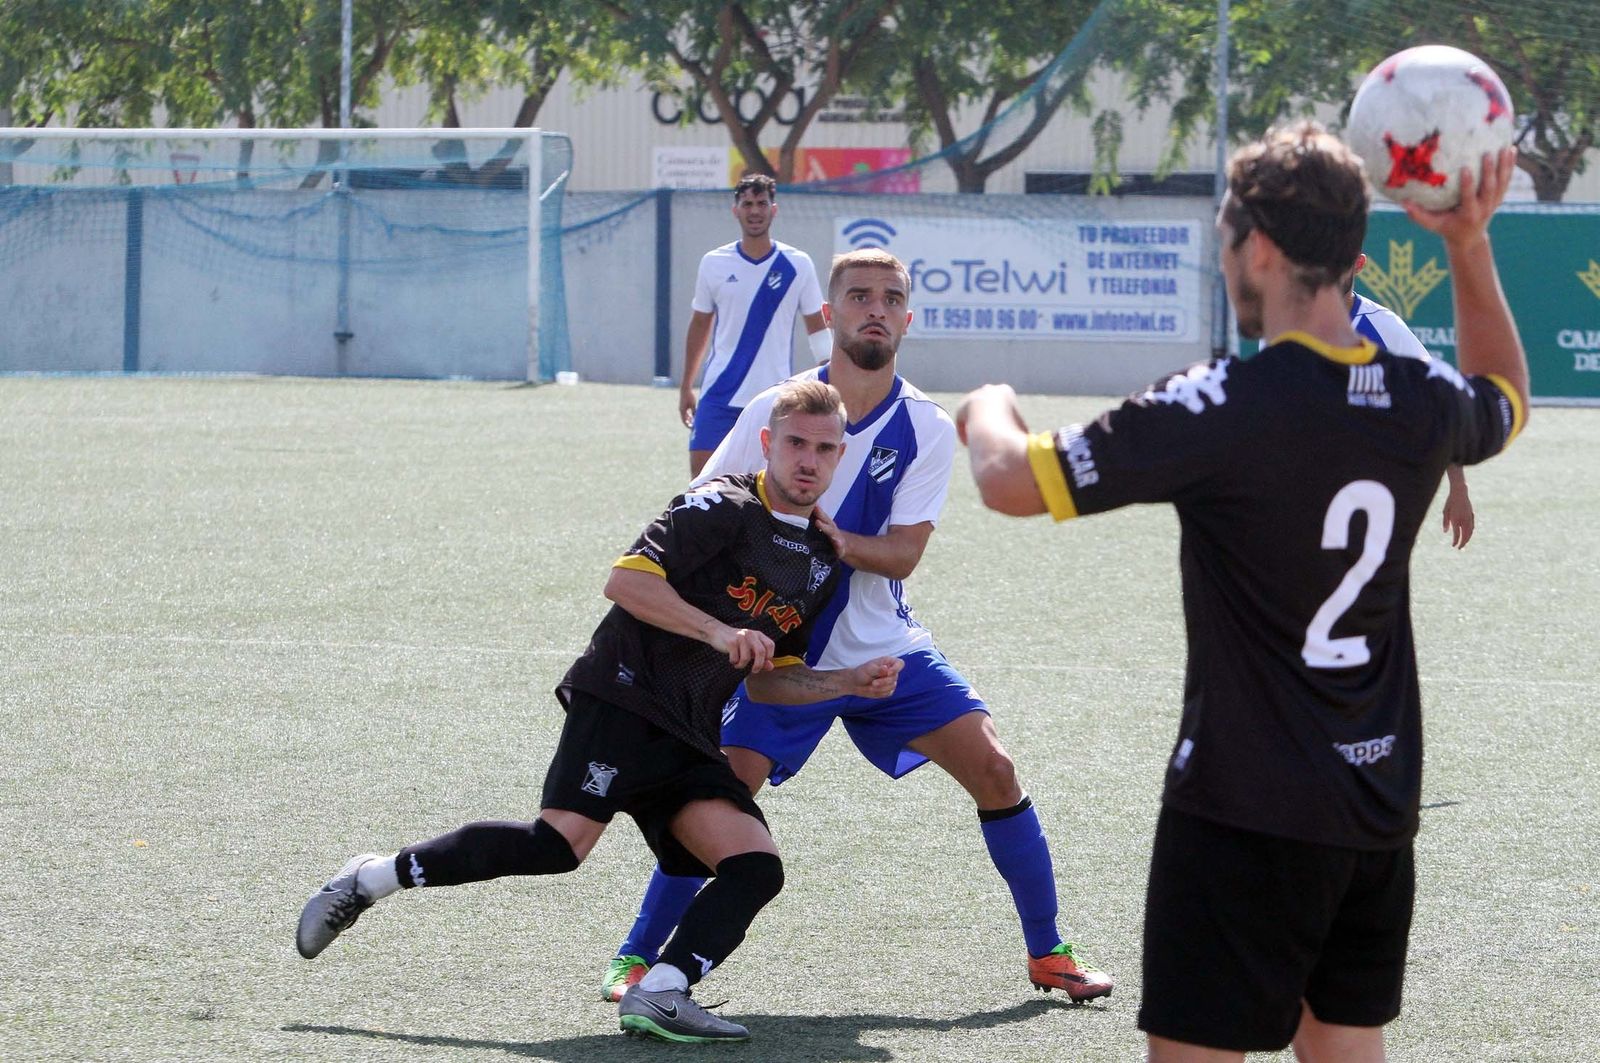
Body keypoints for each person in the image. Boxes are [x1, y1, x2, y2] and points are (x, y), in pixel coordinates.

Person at [956, 124, 1527, 1061]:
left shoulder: (1221, 403)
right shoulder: (1421, 397)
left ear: (1258, 245)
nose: (1222, 259)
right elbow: (1503, 392)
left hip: (1240, 814)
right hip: (1376, 810)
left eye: (1224, 237)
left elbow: (1008, 480)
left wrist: (987, 404)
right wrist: (1467, 243)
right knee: (1345, 1044)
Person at [295, 379, 903, 1044]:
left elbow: (770, 683)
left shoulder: (819, 559)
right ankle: (370, 877)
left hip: (690, 731)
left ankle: (664, 989)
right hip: (624, 692)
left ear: (840, 454)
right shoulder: (721, 504)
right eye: (794, 443)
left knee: (754, 865)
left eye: (823, 447)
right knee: (558, 845)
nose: (807, 460)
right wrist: (718, 632)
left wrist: (846, 681)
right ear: (768, 442)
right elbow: (628, 580)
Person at [600, 246, 1115, 1007]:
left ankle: (1050, 951)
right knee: (719, 795)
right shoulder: (774, 412)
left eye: (891, 297)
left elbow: (904, 554)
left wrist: (833, 538)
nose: (875, 307)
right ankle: (638, 957)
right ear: (831, 314)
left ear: (907, 317)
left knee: (996, 769)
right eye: (859, 295)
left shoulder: (926, 427)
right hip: (779, 661)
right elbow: (701, 516)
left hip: (884, 649)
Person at [681, 173, 831, 477]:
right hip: (718, 396)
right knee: (701, 488)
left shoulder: (796, 264)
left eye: (761, 203)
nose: (754, 211)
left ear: (773, 209)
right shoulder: (714, 262)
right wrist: (686, 386)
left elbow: (816, 326)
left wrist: (832, 379)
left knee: (768, 491)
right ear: (735, 210)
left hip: (775, 399)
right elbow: (699, 325)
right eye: (747, 203)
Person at [1345, 253, 1476, 547]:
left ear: (1360, 264)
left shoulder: (1384, 327)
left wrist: (1458, 485)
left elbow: (1439, 403)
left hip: (1373, 488)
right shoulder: (1287, 325)